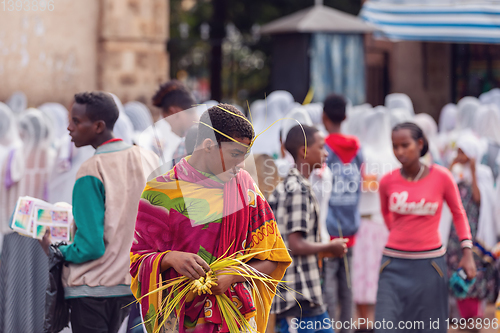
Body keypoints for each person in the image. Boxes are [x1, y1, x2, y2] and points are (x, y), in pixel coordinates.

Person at [130, 103, 292, 333]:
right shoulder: (160, 193)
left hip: (234, 320)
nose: (241, 165)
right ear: (208, 146)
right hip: (179, 323)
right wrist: (171, 258)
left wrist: (234, 274)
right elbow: (138, 262)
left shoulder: (246, 191)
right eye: (235, 155)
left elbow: (273, 260)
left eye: (245, 155)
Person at [40, 91, 158, 333]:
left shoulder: (91, 169)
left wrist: (56, 248)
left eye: (76, 121)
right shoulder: (149, 159)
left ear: (98, 126)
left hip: (93, 287)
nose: (69, 128)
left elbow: (91, 246)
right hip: (132, 284)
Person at [376, 122, 476, 333]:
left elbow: (459, 214)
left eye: (405, 145)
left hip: (430, 266)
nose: (399, 151)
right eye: (395, 146)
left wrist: (467, 252)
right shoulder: (387, 181)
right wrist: (401, 233)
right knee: (385, 326)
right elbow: (386, 214)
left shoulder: (442, 177)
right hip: (392, 265)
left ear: (420, 144)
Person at [269, 125, 347, 333]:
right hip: (298, 295)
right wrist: (331, 245)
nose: (326, 153)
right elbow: (295, 244)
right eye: (321, 147)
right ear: (304, 151)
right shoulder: (297, 189)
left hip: (305, 293)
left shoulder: (295, 185)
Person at [321, 94, 363, 333]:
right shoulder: (358, 149)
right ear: (346, 116)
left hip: (328, 231)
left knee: (328, 286)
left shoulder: (322, 148)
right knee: (347, 287)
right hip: (351, 228)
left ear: (323, 116)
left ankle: (327, 329)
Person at [446, 133, 497, 320]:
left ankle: (474, 315)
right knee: (454, 263)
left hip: (474, 228)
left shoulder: (482, 172)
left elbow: (478, 199)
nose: (459, 155)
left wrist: (474, 172)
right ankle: (457, 314)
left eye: (463, 151)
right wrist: (451, 168)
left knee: (473, 265)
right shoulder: (455, 172)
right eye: (458, 151)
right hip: (454, 230)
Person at [137, 80, 197, 168]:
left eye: (168, 123)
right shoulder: (214, 134)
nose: (171, 130)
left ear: (174, 113)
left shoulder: (184, 146)